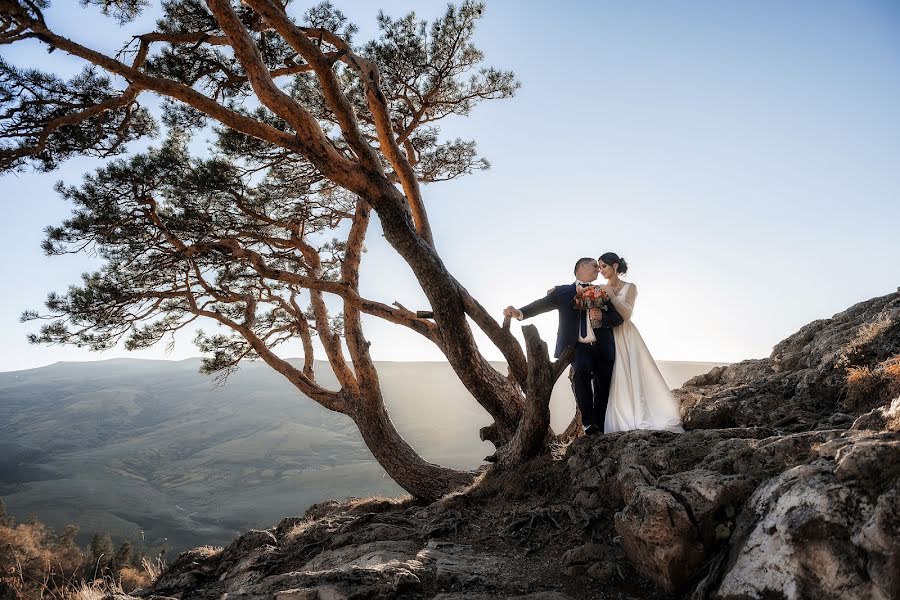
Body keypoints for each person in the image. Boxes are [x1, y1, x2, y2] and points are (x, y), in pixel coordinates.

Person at [503, 257, 624, 435]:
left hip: (603, 347)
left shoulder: (603, 292)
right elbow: (541, 305)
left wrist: (602, 317)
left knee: (603, 386)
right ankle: (588, 423)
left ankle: (600, 426)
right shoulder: (563, 292)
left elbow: (618, 318)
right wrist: (520, 313)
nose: (598, 270)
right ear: (581, 267)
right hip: (578, 347)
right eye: (594, 266)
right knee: (581, 374)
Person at [597, 252, 684, 433]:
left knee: (632, 372)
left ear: (614, 266)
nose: (601, 270)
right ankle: (621, 415)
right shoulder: (599, 288)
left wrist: (612, 295)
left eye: (603, 266)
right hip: (607, 336)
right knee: (614, 376)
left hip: (626, 335)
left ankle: (641, 415)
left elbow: (627, 314)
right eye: (598, 267)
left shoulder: (630, 287)